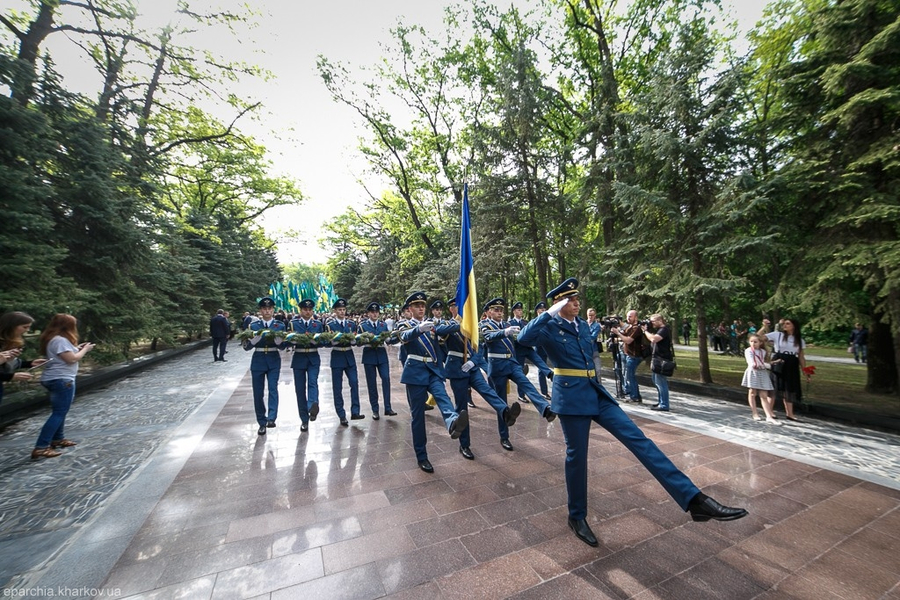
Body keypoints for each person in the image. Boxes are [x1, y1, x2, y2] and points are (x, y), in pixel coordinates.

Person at [518, 277, 748, 547]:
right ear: (559, 304)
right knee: (577, 458)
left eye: (578, 299)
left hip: (595, 392)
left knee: (640, 441)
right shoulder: (548, 326)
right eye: (571, 300)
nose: (577, 303)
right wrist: (549, 313)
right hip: (570, 397)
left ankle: (695, 500)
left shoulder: (582, 325)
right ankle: (577, 516)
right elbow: (524, 339)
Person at [397, 291, 469, 472]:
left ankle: (452, 422)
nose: (421, 308)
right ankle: (422, 456)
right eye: (417, 306)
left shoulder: (433, 324)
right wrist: (419, 329)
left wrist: (462, 318)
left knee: (443, 396)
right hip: (415, 373)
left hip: (433, 370)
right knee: (418, 416)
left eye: (423, 306)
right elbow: (404, 337)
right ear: (410, 309)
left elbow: (449, 329)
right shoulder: (404, 323)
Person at [442, 307, 522, 458]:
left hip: (472, 367)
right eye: (458, 306)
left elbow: (479, 348)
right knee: (461, 408)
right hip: (457, 369)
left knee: (487, 390)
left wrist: (473, 362)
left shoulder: (473, 325)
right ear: (452, 308)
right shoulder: (448, 324)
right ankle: (464, 445)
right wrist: (461, 324)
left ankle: (505, 412)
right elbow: (440, 331)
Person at [480, 297, 556, 431]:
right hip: (497, 366)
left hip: (511, 363)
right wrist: (505, 332)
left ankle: (545, 408)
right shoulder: (485, 325)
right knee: (502, 401)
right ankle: (504, 435)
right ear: (489, 312)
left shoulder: (507, 325)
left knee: (526, 383)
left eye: (501, 310)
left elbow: (518, 342)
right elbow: (488, 337)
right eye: (496, 310)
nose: (499, 312)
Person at [32, 314, 95, 460]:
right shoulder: (60, 340)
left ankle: (58, 439)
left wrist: (77, 348)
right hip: (61, 379)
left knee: (60, 411)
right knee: (59, 412)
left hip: (56, 378)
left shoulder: (54, 339)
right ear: (68, 326)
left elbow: (66, 355)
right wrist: (85, 350)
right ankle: (41, 447)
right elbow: (71, 359)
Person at [243, 297, 287, 435]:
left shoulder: (279, 325)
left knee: (273, 388)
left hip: (274, 359)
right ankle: (261, 421)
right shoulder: (253, 326)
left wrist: (280, 342)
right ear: (261, 310)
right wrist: (253, 341)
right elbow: (246, 347)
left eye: (269, 308)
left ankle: (272, 418)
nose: (267, 311)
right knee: (258, 392)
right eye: (264, 309)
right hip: (259, 359)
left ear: (273, 310)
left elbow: (283, 347)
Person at [326, 298, 364, 426]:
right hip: (337, 356)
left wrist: (355, 341)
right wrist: (332, 341)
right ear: (335, 311)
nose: (342, 312)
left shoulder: (351, 324)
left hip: (349, 355)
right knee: (338, 388)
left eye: (343, 309)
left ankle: (355, 411)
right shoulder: (330, 325)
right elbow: (327, 341)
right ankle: (341, 414)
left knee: (354, 383)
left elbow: (357, 339)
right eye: (339, 310)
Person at [761, 318, 806, 421]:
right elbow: (760, 338)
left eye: (788, 323)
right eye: (784, 324)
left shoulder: (799, 340)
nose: (785, 325)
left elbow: (801, 356)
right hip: (779, 360)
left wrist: (805, 370)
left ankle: (790, 413)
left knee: (789, 387)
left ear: (794, 325)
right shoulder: (778, 335)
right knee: (775, 385)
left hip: (792, 362)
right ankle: (769, 411)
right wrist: (764, 327)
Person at [289, 299, 324, 432]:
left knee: (313, 382)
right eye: (305, 309)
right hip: (299, 357)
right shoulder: (293, 324)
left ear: (312, 311)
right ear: (300, 310)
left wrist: (316, 342)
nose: (307, 312)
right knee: (300, 389)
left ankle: (313, 406)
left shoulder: (318, 324)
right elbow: (287, 341)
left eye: (310, 310)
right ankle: (304, 420)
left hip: (313, 357)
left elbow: (323, 342)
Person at [509, 301, 553, 404]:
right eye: (518, 310)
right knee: (520, 373)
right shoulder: (510, 324)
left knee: (540, 362)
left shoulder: (526, 323)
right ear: (514, 311)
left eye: (521, 310)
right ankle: (521, 395)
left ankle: (550, 374)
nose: (520, 312)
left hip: (528, 348)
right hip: (518, 350)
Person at [359, 302, 397, 420]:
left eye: (376, 312)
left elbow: (388, 340)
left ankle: (388, 407)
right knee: (372, 384)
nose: (375, 314)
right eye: (372, 312)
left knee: (386, 379)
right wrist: (365, 339)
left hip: (381, 354)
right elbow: (359, 342)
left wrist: (391, 338)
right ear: (368, 313)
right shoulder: (362, 326)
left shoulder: (382, 325)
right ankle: (375, 410)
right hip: (369, 355)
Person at [0, 312, 47, 404]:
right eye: (25, 327)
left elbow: (8, 363)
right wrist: (11, 376)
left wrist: (29, 363)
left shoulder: (9, 342)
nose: (27, 330)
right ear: (11, 326)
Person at [742, 334, 779, 424]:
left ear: (760, 343)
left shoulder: (763, 351)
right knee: (752, 393)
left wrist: (768, 364)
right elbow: (752, 363)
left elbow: (762, 362)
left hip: (762, 373)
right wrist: (766, 365)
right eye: (751, 341)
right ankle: (755, 413)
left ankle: (768, 416)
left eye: (755, 342)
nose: (753, 344)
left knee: (764, 395)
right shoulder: (748, 351)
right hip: (753, 372)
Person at [610, 310, 645, 404]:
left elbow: (628, 340)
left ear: (636, 317)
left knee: (630, 376)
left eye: (630, 316)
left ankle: (635, 397)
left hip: (634, 356)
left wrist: (618, 333)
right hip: (628, 354)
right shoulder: (630, 327)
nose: (628, 318)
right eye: (627, 316)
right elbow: (624, 335)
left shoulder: (636, 328)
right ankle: (634, 395)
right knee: (628, 376)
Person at [644, 314, 673, 412]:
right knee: (656, 380)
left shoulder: (664, 330)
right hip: (658, 359)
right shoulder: (660, 330)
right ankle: (661, 401)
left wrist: (645, 331)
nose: (651, 323)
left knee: (661, 382)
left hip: (662, 360)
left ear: (660, 320)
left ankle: (664, 404)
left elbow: (653, 339)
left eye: (653, 321)